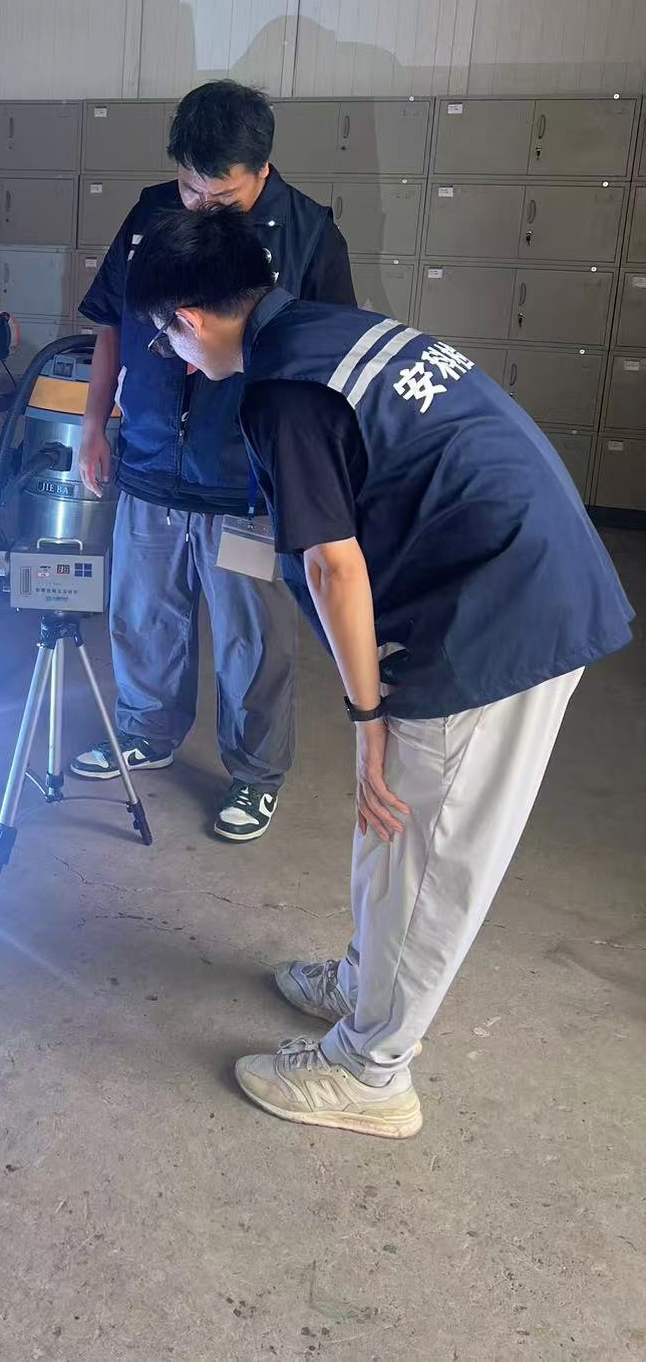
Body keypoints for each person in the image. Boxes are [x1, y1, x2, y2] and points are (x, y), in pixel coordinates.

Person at [123, 210, 634, 1139]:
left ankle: (372, 1071)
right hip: (496, 566)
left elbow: (334, 567)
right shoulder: (320, 328)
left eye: (165, 339)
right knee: (397, 831)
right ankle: (367, 983)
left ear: (190, 320)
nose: (173, 358)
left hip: (499, 609)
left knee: (423, 841)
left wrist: (367, 721)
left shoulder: (281, 392)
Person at [72, 81, 354, 843]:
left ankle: (256, 771)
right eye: (189, 187)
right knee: (141, 615)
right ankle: (147, 728)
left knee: (251, 638)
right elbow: (110, 325)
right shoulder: (150, 216)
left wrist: (303, 478)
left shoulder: (309, 235)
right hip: (150, 463)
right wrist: (95, 426)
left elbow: (326, 363)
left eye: (219, 194)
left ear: (262, 169)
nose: (199, 205)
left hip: (246, 482)